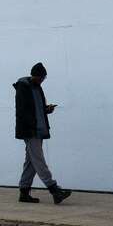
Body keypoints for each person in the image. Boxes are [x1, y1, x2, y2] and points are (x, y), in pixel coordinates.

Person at [13, 62, 71, 204]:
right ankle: (54, 190)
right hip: (31, 131)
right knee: (39, 161)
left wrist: (46, 109)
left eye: (44, 78)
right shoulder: (23, 88)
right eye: (41, 78)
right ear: (35, 76)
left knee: (31, 162)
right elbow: (23, 112)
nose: (42, 81)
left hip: (38, 129)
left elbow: (36, 109)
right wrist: (30, 128)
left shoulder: (37, 87)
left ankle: (24, 193)